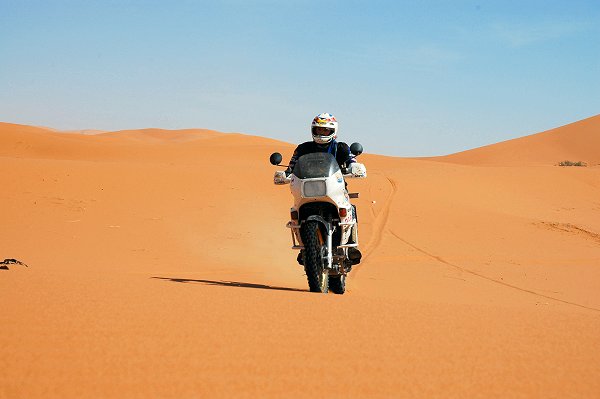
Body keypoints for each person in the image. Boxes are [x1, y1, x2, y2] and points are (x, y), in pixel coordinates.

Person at [283, 112, 363, 266]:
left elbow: (350, 160)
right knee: (297, 212)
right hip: (307, 190)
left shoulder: (341, 147)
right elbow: (292, 166)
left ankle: (352, 246)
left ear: (333, 131)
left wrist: (354, 166)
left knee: (350, 209)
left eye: (325, 130)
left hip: (335, 190)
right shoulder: (303, 148)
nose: (322, 133)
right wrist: (284, 174)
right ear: (313, 130)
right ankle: (305, 248)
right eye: (319, 130)